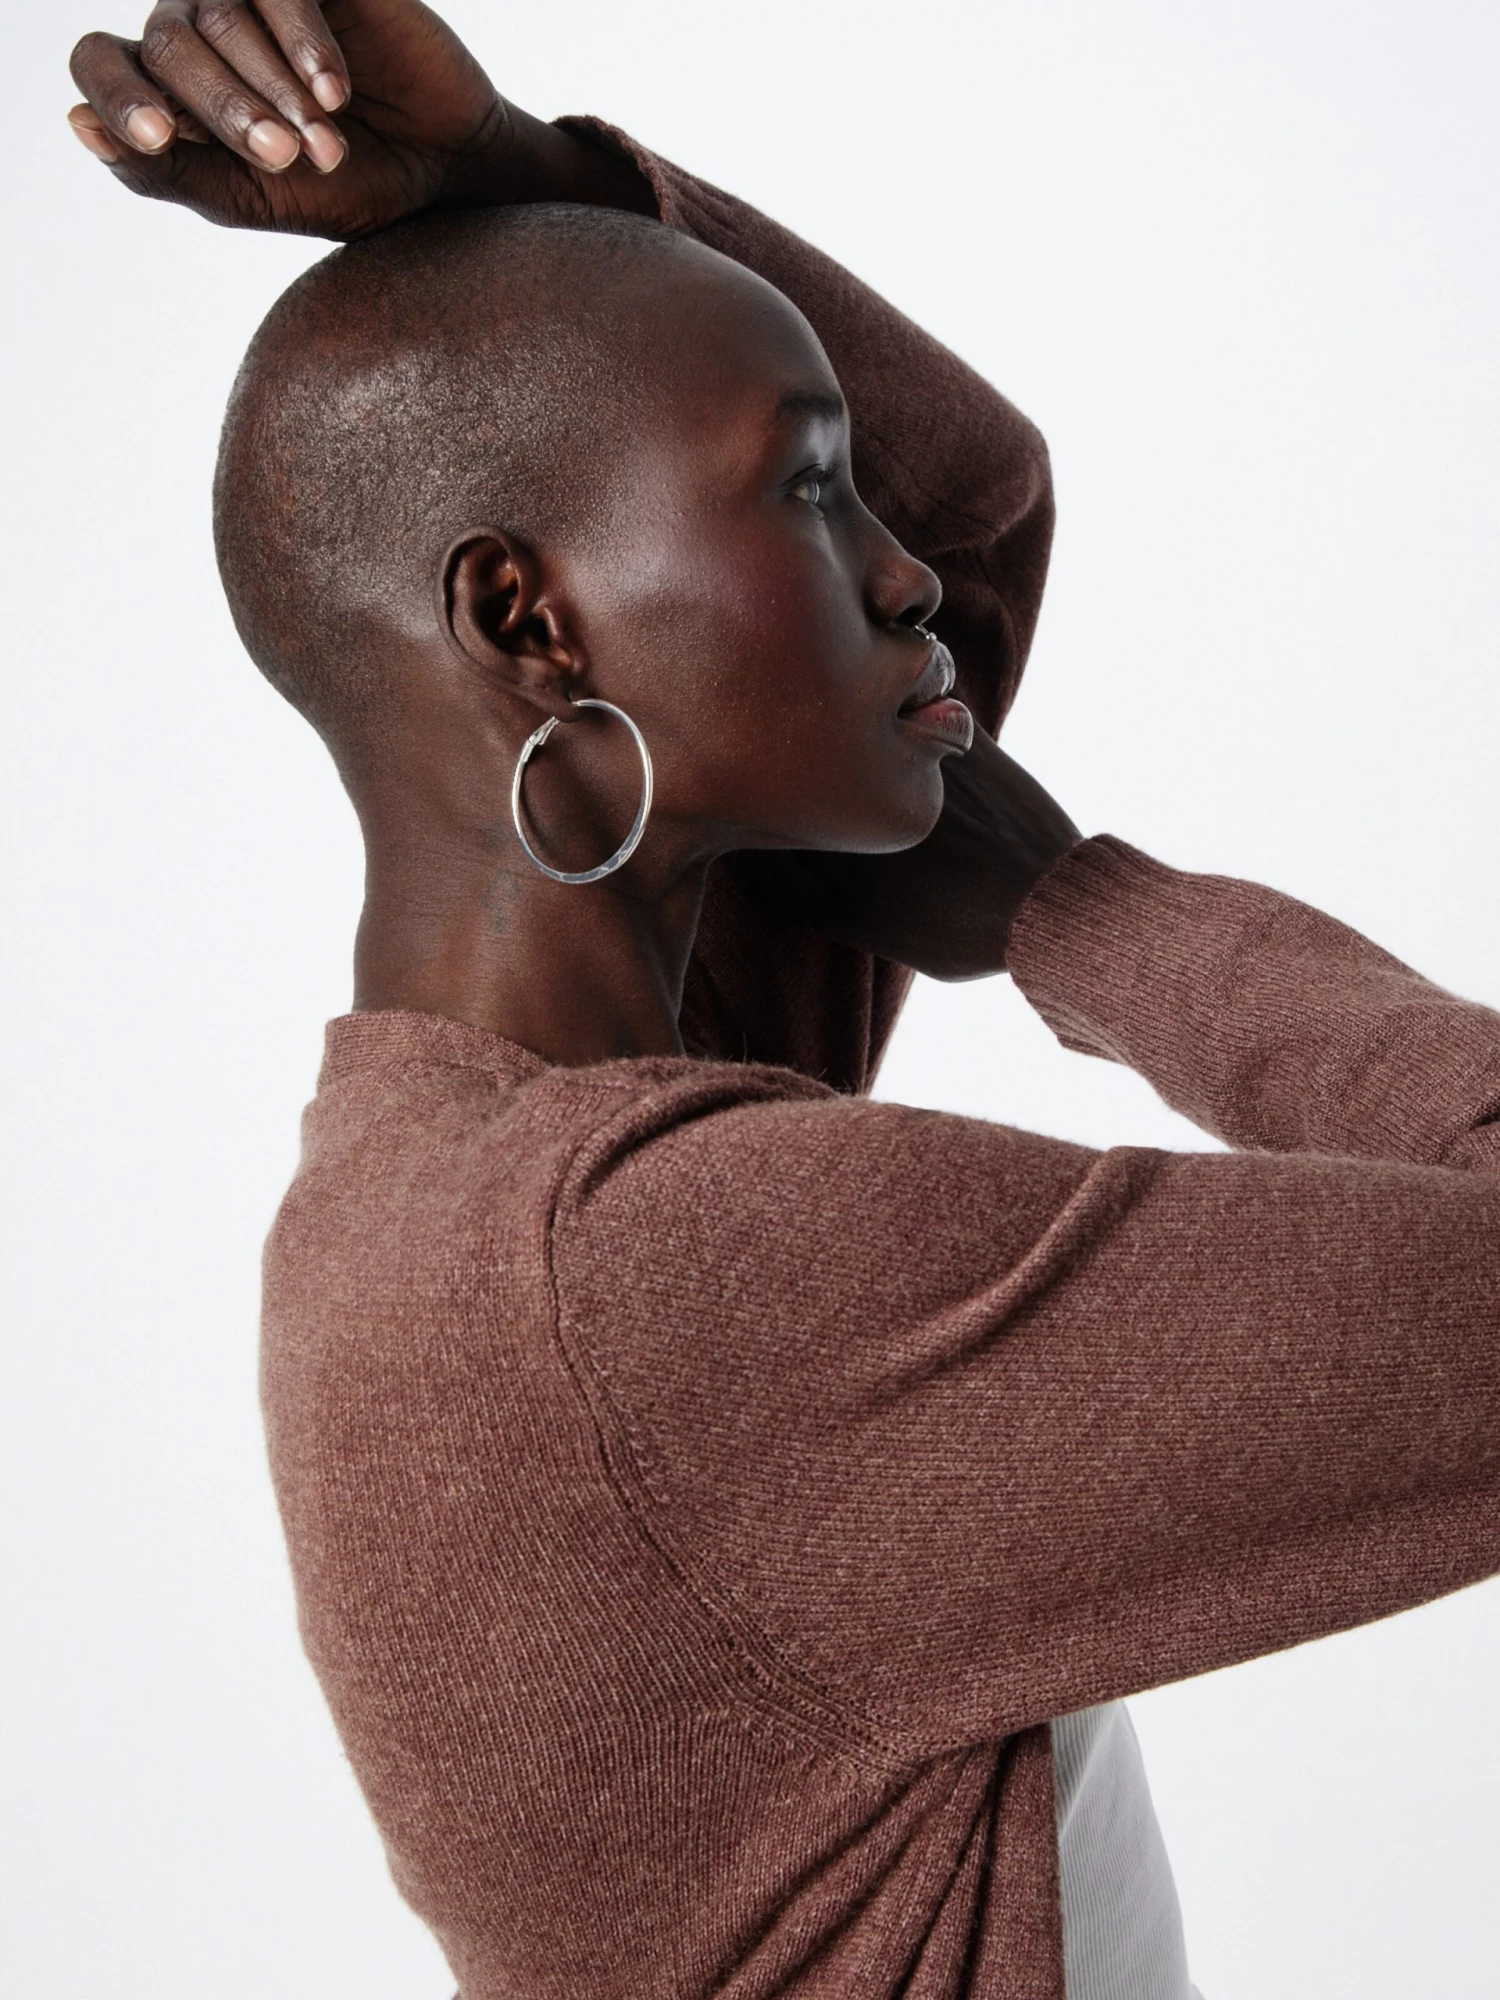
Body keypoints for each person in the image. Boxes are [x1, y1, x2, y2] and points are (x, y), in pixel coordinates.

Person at [66, 7, 1500, 2000]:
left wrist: (510, 173)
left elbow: (972, 505)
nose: (902, 573)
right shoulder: (664, 1274)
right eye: (814, 490)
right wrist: (1081, 909)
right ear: (523, 618)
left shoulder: (482, 1166)